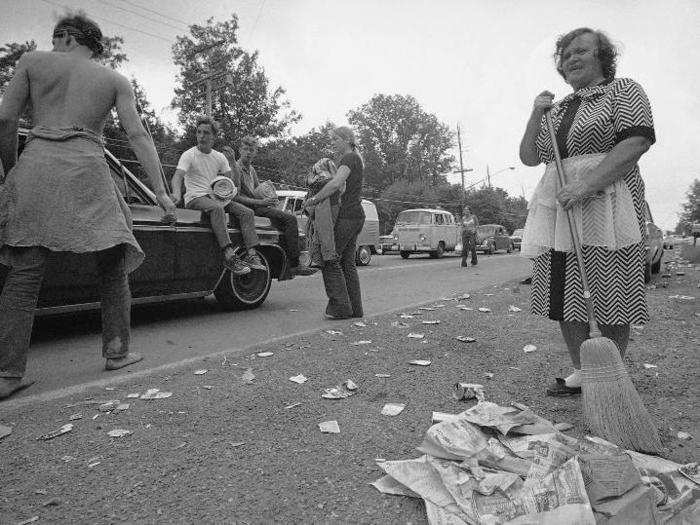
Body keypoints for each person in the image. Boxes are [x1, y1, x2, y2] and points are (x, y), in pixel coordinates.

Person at [0, 12, 177, 399]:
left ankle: (7, 373)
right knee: (113, 261)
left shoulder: (31, 62)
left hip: (37, 162)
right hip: (87, 166)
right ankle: (117, 349)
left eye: (55, 39)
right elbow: (137, 134)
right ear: (92, 46)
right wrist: (161, 193)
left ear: (65, 38)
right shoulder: (112, 79)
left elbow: (6, 117)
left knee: (25, 271)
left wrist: (15, 168)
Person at [518, 28, 655, 396]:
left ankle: (611, 373)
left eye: (581, 50)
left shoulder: (622, 90)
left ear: (602, 57)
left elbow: (637, 140)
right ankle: (582, 368)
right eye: (565, 55)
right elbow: (531, 157)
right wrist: (535, 113)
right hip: (560, 205)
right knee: (567, 291)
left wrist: (586, 184)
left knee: (611, 286)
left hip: (608, 199)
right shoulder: (556, 109)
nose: (571, 58)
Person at [170, 117, 265, 276]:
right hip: (196, 197)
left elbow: (232, 184)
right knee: (217, 209)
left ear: (214, 137)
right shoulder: (189, 155)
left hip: (216, 197)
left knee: (247, 212)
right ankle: (229, 256)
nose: (201, 136)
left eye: (206, 133)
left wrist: (232, 163)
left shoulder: (219, 157)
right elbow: (177, 176)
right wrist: (176, 193)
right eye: (199, 132)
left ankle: (252, 255)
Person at [226, 135, 315, 277]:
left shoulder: (252, 170)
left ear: (255, 152)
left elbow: (256, 192)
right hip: (246, 208)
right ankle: (294, 264)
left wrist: (269, 199)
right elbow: (235, 197)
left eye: (252, 150)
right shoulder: (235, 168)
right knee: (290, 219)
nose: (248, 153)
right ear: (240, 150)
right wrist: (261, 202)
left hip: (256, 206)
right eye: (245, 149)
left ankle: (289, 262)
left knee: (287, 219)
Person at [305, 126, 364, 319]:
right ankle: (355, 309)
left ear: (346, 139)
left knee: (330, 259)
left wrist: (315, 199)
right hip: (355, 216)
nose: (333, 144)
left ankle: (341, 307)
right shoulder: (355, 158)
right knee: (347, 263)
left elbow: (336, 183)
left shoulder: (349, 158)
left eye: (335, 140)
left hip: (348, 216)